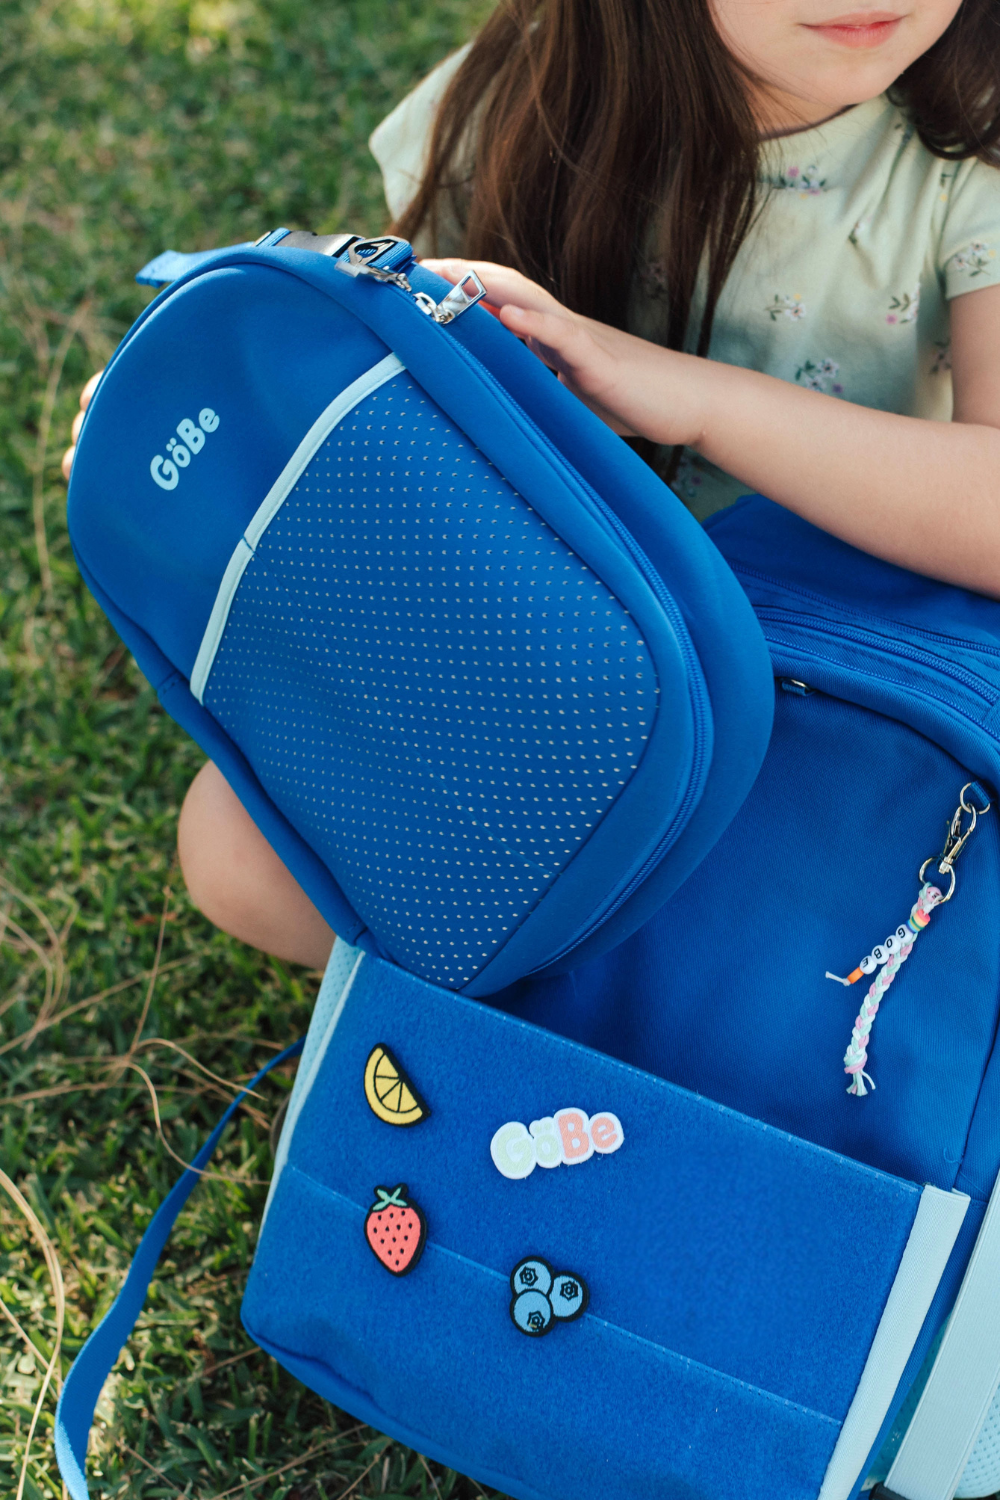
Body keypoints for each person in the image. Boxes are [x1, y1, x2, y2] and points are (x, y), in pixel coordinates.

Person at [70, 0, 1000, 968]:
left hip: (849, 662)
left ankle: (648, 985)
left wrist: (679, 393)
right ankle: (646, 979)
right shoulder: (537, 98)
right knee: (235, 851)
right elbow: (414, 392)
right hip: (580, 648)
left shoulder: (972, 134)